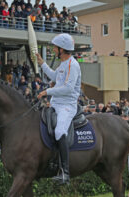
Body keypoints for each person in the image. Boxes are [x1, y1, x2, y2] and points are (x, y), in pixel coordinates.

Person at [36, 33, 81, 184]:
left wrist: (46, 92)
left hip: (67, 106)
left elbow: (68, 88)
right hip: (56, 103)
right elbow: (55, 77)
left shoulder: (73, 65)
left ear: (62, 49)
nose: (53, 49)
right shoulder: (63, 64)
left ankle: (65, 172)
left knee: (59, 131)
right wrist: (42, 64)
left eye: (55, 47)